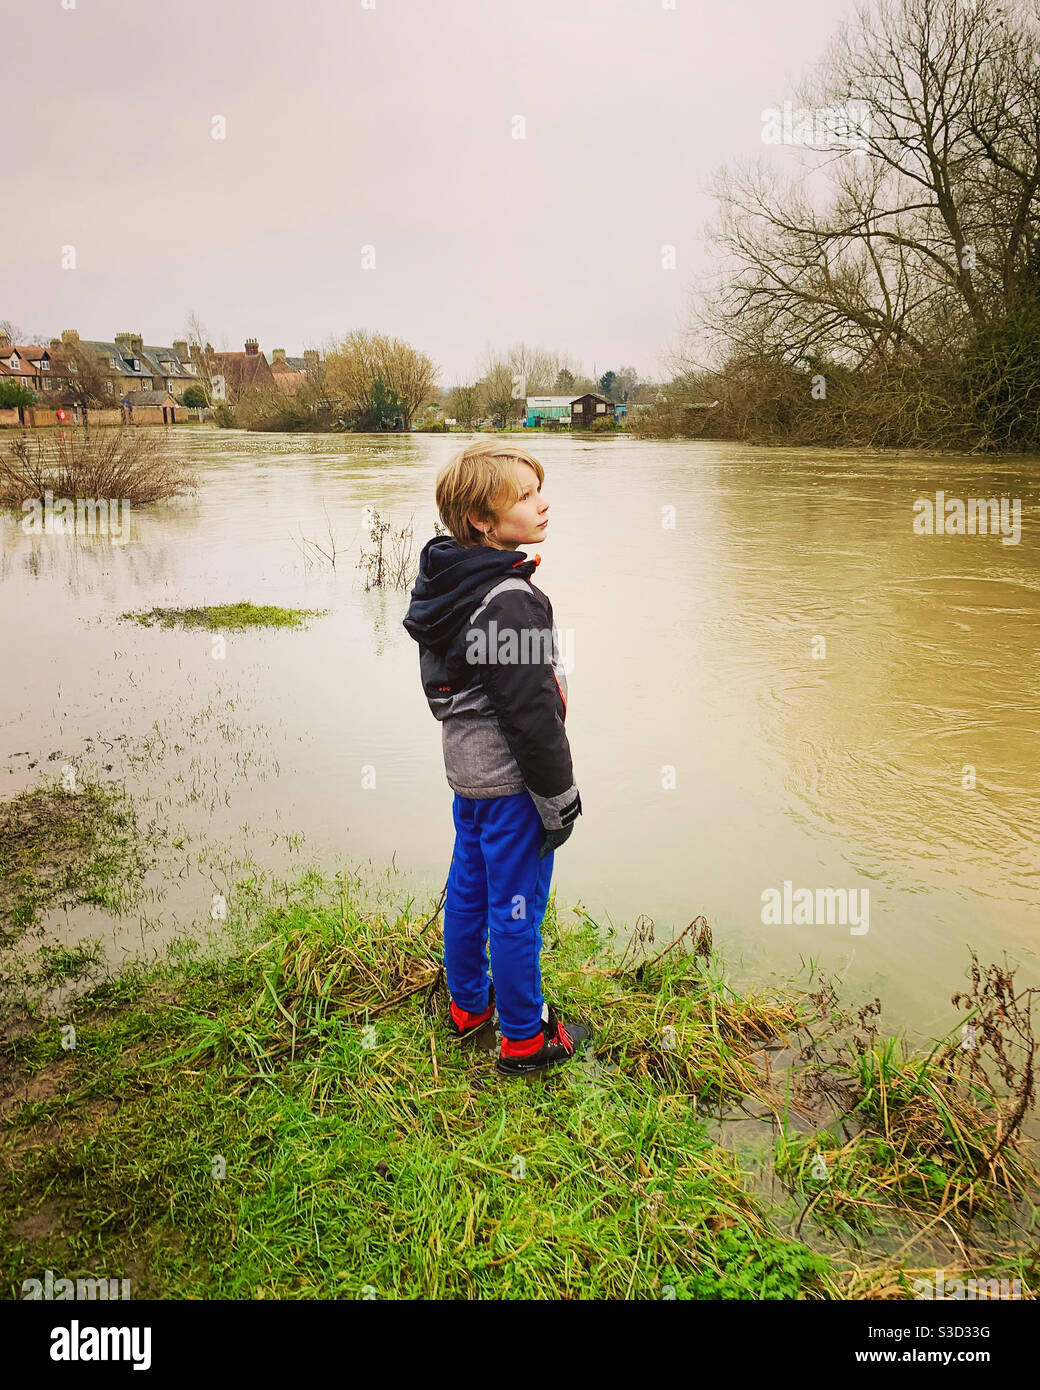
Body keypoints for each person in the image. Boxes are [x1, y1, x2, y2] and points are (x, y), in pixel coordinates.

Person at [402, 440, 590, 1076]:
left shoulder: (450, 584)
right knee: (517, 911)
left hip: (469, 779)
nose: (544, 504)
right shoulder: (509, 598)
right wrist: (558, 800)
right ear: (483, 520)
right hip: (513, 788)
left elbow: (446, 690)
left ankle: (468, 1007)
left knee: (470, 891)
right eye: (527, 497)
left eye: (540, 490)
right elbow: (532, 716)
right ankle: (525, 1039)